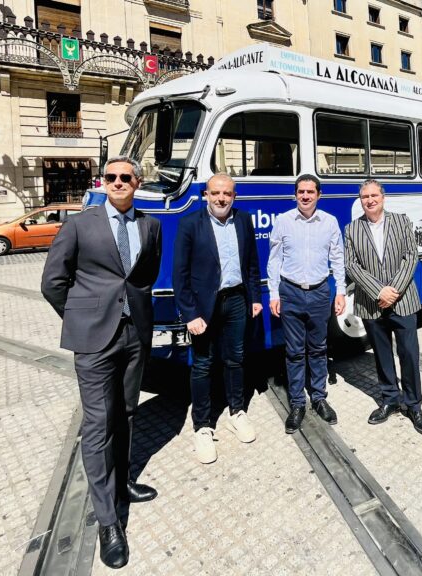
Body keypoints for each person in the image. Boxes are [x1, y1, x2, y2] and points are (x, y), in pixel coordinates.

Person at [40, 156, 162, 569]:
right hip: (93, 340)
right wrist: (82, 317)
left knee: (126, 413)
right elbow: (52, 282)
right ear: (102, 182)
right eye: (110, 177)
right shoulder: (79, 224)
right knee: (97, 425)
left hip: (134, 336)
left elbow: (143, 278)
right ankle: (109, 521)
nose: (117, 182)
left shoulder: (151, 225)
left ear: (137, 182)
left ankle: (123, 481)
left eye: (125, 177)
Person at [172, 173, 262, 464]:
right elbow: (180, 275)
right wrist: (190, 314)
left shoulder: (244, 220)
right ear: (206, 195)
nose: (222, 198)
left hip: (237, 300)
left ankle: (237, 412)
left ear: (234, 196)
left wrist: (256, 299)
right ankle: (202, 426)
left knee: (236, 358)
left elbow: (251, 264)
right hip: (204, 306)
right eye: (216, 193)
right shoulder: (190, 224)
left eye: (227, 194)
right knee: (202, 364)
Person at [344, 179, 422, 436]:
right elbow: (351, 265)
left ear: (383, 197)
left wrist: (393, 291)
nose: (369, 200)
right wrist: (378, 291)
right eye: (364, 197)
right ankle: (390, 399)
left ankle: (414, 406)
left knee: (409, 354)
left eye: (374, 195)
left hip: (403, 300)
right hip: (371, 304)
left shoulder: (401, 221)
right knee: (382, 355)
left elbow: (411, 256)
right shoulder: (352, 229)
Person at [268, 174, 346, 434]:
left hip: (320, 293)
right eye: (301, 191)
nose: (305, 196)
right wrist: (273, 294)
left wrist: (341, 292)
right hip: (290, 293)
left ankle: (319, 398)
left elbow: (337, 259)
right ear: (295, 194)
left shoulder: (330, 222)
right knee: (294, 351)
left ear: (319, 195)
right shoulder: (283, 221)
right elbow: (274, 261)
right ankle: (298, 404)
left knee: (318, 348)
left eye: (310, 192)